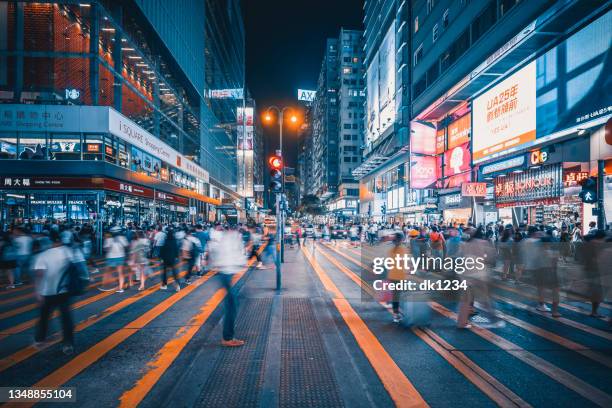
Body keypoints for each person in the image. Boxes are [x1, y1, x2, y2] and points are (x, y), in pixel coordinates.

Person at [33, 229, 79, 355]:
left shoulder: (43, 255)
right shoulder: (67, 252)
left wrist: (37, 292)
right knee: (66, 318)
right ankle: (68, 344)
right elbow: (74, 268)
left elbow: (39, 275)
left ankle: (39, 340)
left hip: (47, 292)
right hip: (63, 291)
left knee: (44, 317)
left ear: (50, 242)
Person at [208, 225, 247, 347]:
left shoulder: (222, 237)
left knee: (232, 303)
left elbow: (213, 253)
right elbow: (238, 256)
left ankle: (227, 336)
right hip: (227, 273)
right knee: (232, 305)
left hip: (225, 273)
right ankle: (227, 337)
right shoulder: (233, 238)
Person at [387, 232, 408, 323]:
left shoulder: (391, 250)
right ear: (402, 240)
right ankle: (396, 314)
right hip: (400, 276)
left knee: (396, 295)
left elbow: (389, 263)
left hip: (392, 275)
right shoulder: (402, 250)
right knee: (398, 295)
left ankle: (396, 313)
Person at [101, 227, 128, 293]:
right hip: (120, 256)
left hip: (111, 257)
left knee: (108, 271)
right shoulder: (123, 238)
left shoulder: (108, 239)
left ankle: (106, 285)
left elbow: (105, 249)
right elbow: (126, 246)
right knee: (120, 272)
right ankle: (120, 288)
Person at [160, 227, 180, 292]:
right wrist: (177, 256)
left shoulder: (166, 241)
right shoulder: (174, 241)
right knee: (174, 272)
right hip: (173, 259)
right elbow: (176, 250)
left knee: (165, 272)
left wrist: (161, 258)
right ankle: (177, 285)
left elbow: (162, 250)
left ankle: (164, 285)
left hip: (166, 259)